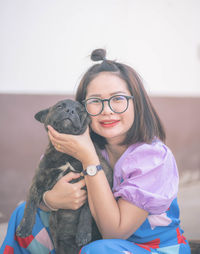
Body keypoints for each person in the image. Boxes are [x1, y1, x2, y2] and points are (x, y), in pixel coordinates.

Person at [0, 49, 190, 254]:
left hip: (148, 249)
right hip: (90, 242)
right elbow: (43, 188)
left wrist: (89, 158)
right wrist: (50, 200)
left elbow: (113, 232)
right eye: (95, 101)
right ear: (82, 108)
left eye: (118, 98)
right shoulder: (75, 145)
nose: (107, 110)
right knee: (23, 213)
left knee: (100, 250)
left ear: (137, 103)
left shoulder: (153, 158)